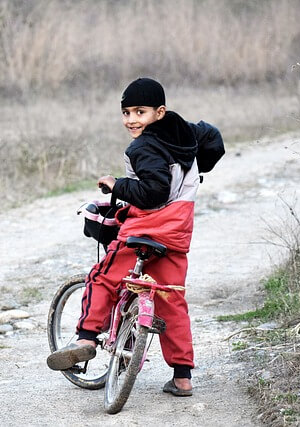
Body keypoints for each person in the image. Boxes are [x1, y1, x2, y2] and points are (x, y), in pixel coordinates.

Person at [47, 77, 223, 397]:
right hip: (177, 234)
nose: (131, 120)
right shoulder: (187, 135)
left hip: (146, 230)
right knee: (171, 302)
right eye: (126, 113)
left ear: (159, 112)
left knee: (103, 278)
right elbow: (214, 139)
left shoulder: (143, 146)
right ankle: (182, 377)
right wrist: (198, 166)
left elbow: (152, 192)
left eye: (139, 112)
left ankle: (86, 338)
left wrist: (117, 185)